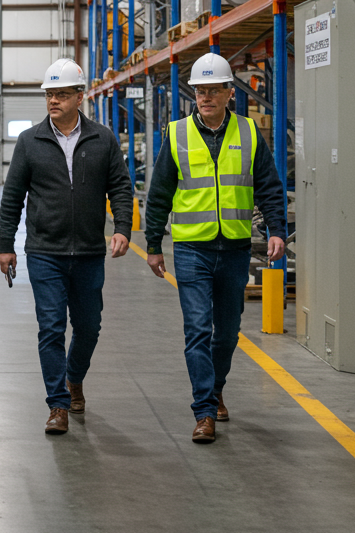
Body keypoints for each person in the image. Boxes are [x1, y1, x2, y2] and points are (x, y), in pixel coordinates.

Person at [143, 52, 287, 444]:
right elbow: (159, 195)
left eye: (213, 90)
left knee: (227, 332)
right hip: (192, 249)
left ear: (228, 94)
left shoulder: (248, 132)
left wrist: (277, 230)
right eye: (199, 90)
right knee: (196, 329)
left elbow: (270, 187)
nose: (205, 97)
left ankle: (217, 386)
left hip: (236, 247)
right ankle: (203, 410)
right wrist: (153, 244)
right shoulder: (176, 134)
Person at [0, 58, 133, 434]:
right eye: (48, 94)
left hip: (90, 251)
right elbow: (12, 198)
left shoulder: (102, 138)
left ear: (79, 95)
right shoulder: (30, 141)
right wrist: (5, 244)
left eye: (60, 94)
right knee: (51, 328)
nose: (53, 100)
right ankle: (57, 404)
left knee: (89, 327)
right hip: (45, 251)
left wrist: (123, 226)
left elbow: (120, 187)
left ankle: (74, 378)